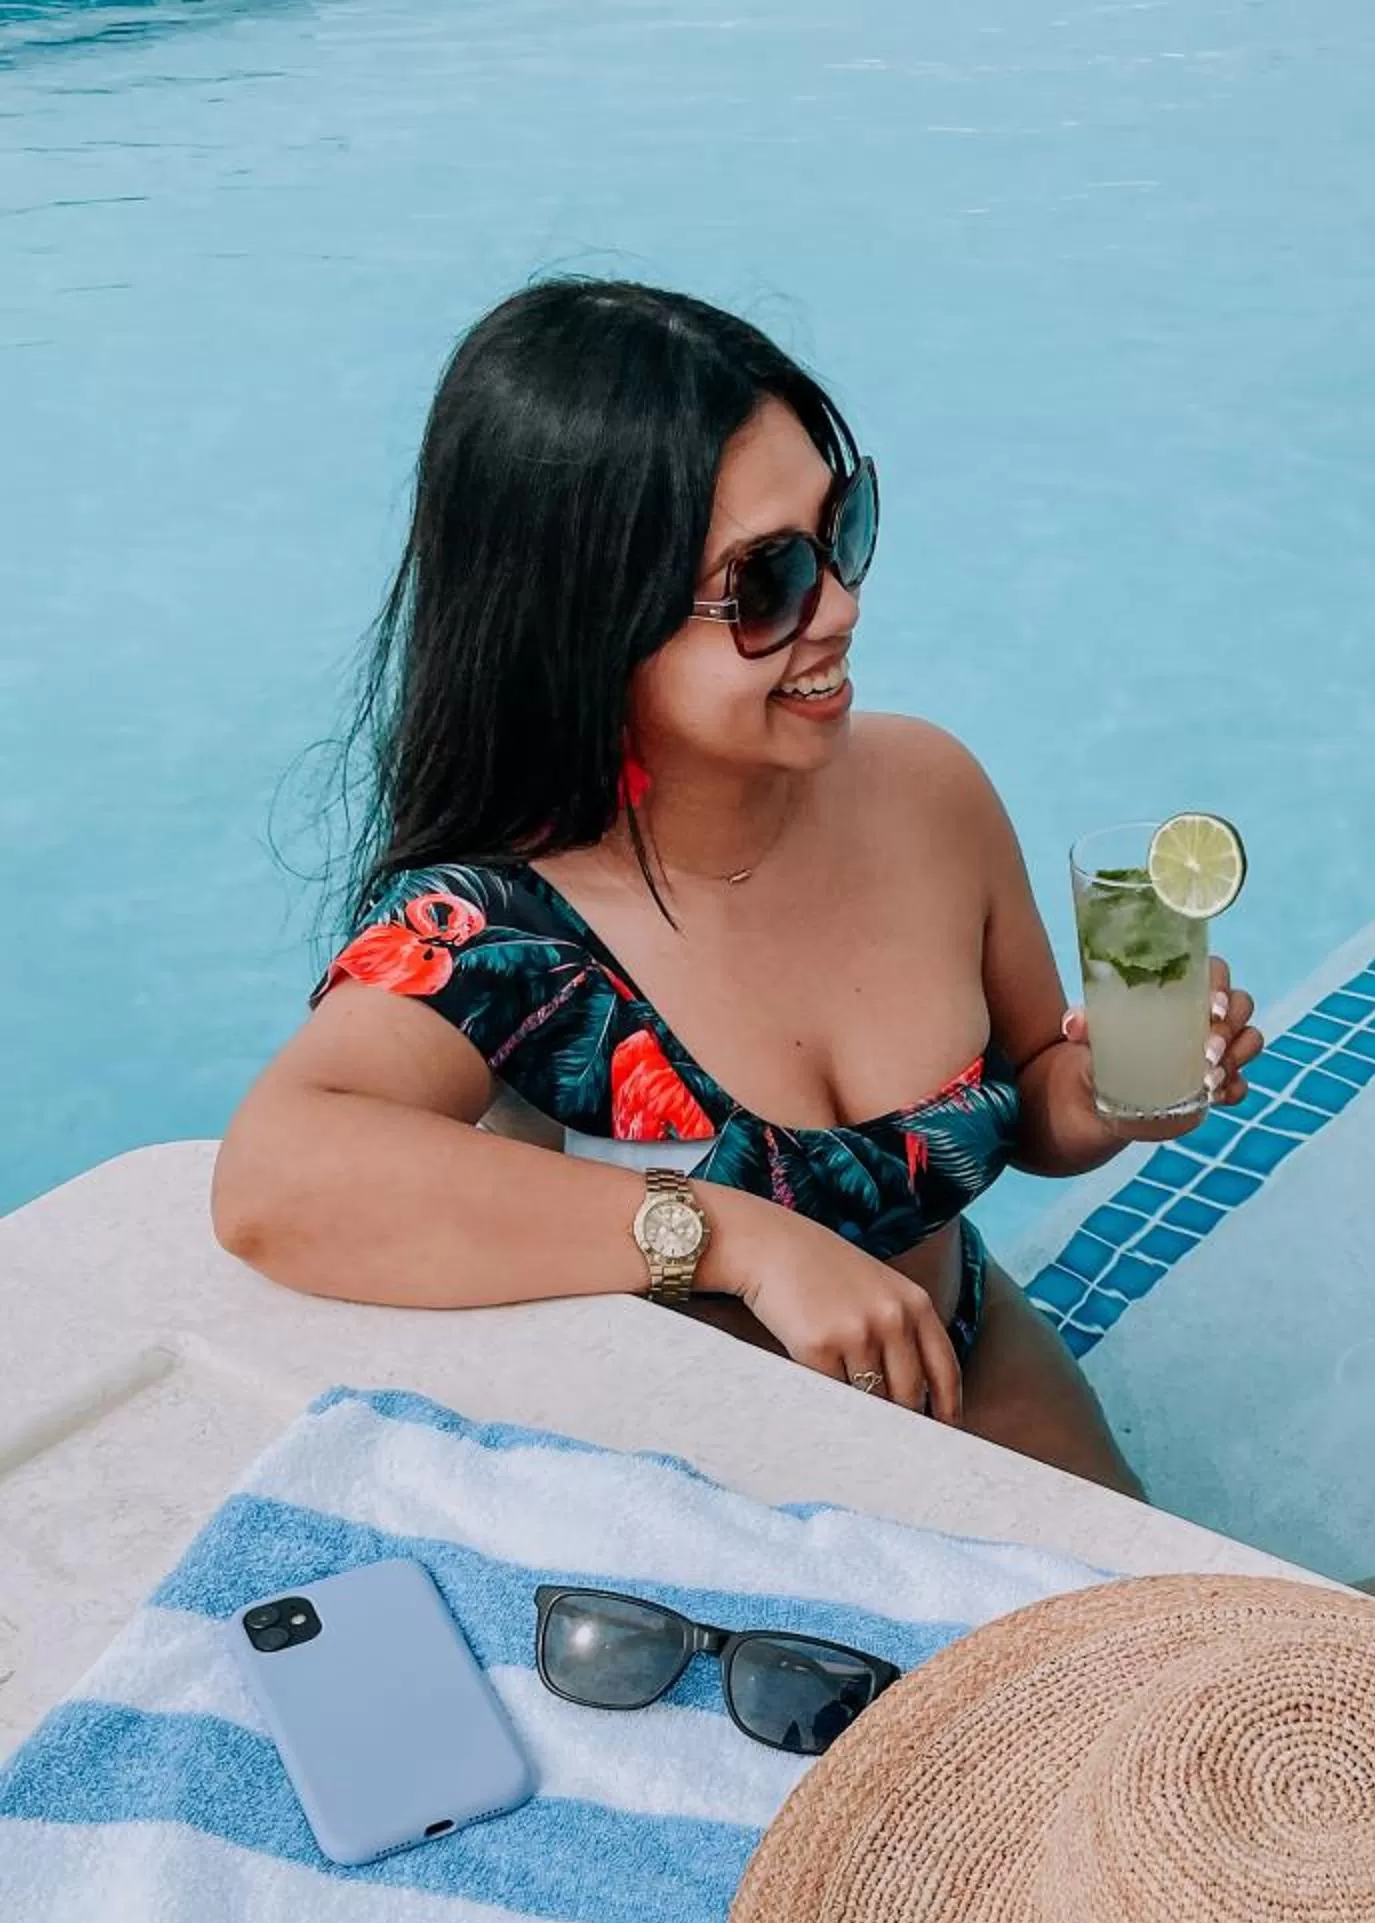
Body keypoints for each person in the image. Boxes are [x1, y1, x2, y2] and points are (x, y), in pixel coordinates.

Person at [213, 281, 1259, 1494]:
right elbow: (272, 1181)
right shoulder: (505, 934)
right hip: (725, 1480)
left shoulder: (927, 788)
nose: (844, 607)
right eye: (765, 584)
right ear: (592, 621)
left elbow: (1031, 1100)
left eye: (843, 529)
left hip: (968, 1350)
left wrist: (1128, 1088)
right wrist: (736, 1238)